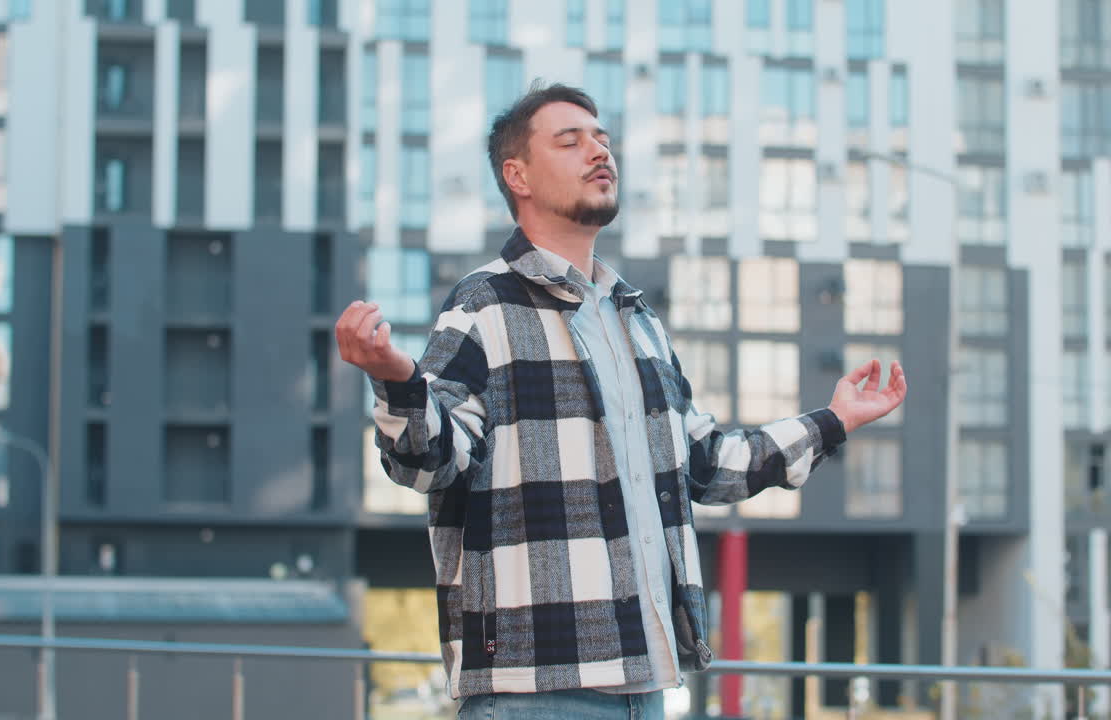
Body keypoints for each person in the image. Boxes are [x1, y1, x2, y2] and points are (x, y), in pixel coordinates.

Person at [336, 82, 907, 720]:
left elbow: (706, 463)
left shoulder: (638, 322)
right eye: (571, 140)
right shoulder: (482, 305)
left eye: (603, 139)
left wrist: (833, 421)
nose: (598, 150)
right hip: (535, 689)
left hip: (649, 683)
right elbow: (429, 460)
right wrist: (395, 378)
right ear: (516, 174)